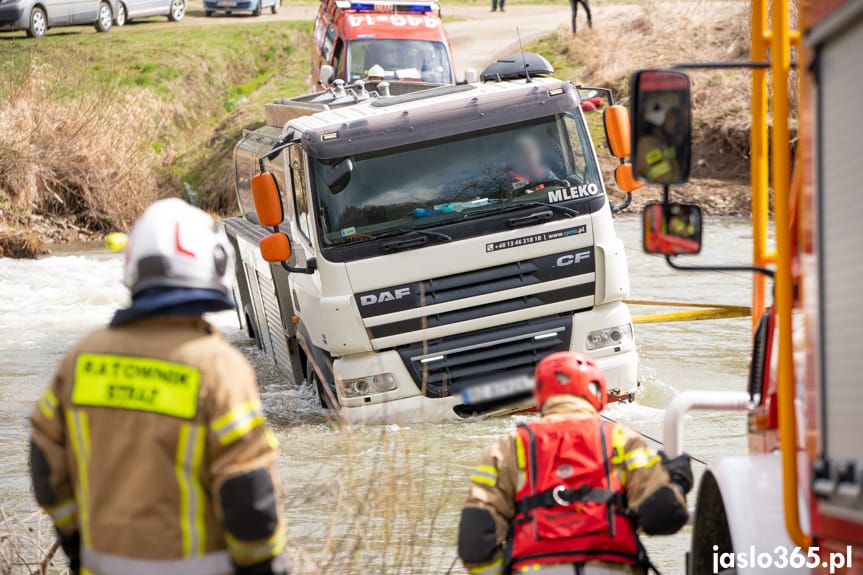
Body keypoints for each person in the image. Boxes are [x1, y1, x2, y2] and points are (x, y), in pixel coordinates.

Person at [29, 198, 288, 575]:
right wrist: (264, 566)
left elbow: (44, 466)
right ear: (213, 263)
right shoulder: (219, 368)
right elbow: (247, 494)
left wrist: (75, 541)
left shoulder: (80, 359)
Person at [457, 352, 692, 575]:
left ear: (540, 394)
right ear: (597, 390)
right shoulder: (621, 440)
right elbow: (664, 517)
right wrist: (676, 480)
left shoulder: (510, 447)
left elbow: (475, 539)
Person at [635, 94, 684, 183]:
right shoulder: (647, 145)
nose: (676, 121)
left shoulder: (662, 141)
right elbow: (667, 178)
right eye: (672, 116)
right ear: (658, 119)